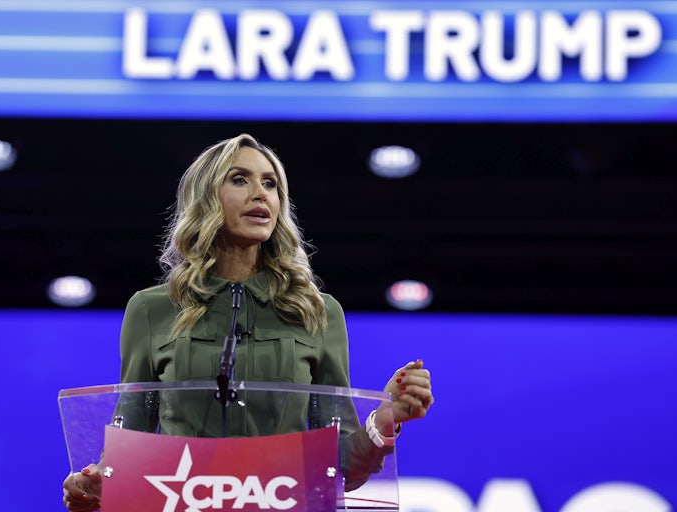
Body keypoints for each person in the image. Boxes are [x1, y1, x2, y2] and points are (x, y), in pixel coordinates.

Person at [62, 133, 434, 511]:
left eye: (270, 184)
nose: (261, 194)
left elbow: (340, 469)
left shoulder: (317, 312)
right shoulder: (151, 309)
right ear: (205, 198)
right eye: (240, 179)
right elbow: (132, 438)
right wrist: (96, 483)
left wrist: (384, 421)